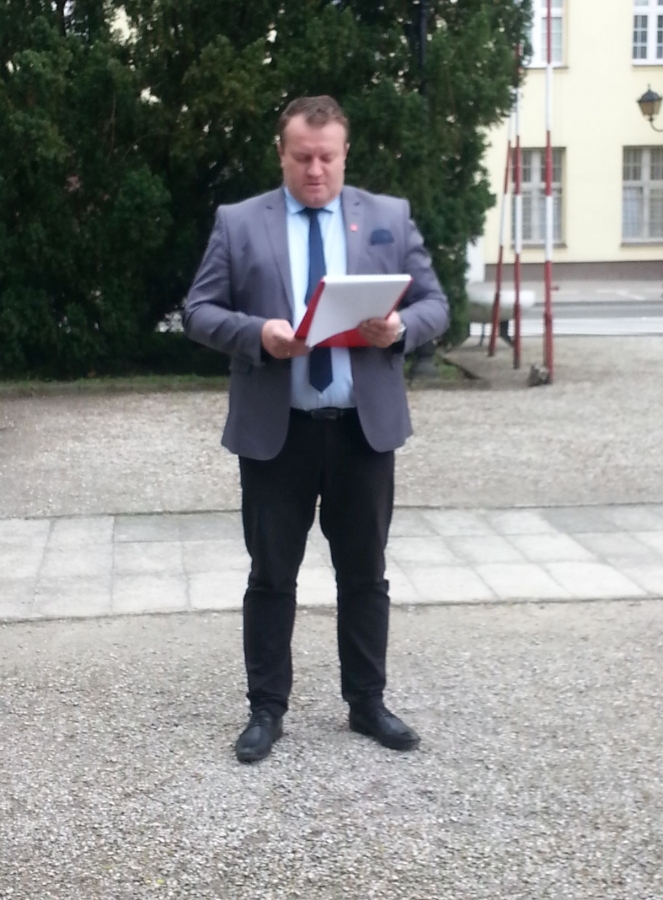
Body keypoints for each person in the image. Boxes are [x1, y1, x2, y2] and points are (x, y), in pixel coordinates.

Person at [183, 95, 449, 763]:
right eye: (302, 156)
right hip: (279, 432)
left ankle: (367, 703)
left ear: (344, 154)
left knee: (365, 574)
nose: (314, 170)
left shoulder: (387, 217)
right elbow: (198, 310)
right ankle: (265, 710)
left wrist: (400, 329)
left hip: (363, 430)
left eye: (327, 157)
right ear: (281, 153)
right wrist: (257, 334)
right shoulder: (239, 223)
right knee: (271, 574)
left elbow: (435, 304)